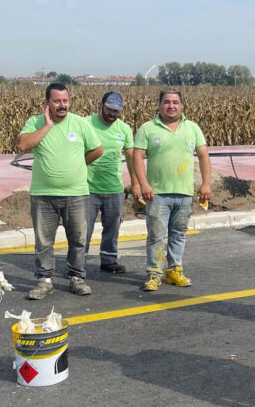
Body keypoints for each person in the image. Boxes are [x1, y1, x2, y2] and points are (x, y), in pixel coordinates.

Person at [17, 83, 103, 300]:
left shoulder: (80, 123)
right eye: (57, 101)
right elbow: (23, 144)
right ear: (47, 103)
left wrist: (78, 165)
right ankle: (44, 281)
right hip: (43, 195)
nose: (62, 105)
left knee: (78, 239)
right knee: (44, 241)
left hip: (76, 193)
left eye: (65, 101)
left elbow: (97, 149)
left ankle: (77, 278)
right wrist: (47, 126)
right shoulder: (35, 122)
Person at [132, 89, 211, 291]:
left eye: (175, 102)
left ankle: (174, 270)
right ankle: (154, 274)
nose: (171, 106)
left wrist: (206, 183)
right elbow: (137, 157)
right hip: (157, 193)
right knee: (156, 235)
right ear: (159, 105)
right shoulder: (148, 128)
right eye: (167, 102)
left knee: (178, 234)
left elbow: (203, 156)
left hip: (184, 193)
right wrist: (144, 184)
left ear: (182, 105)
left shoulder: (192, 128)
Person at [84, 91, 135, 274]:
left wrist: (134, 183)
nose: (113, 114)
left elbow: (131, 159)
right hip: (87, 188)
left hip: (114, 189)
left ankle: (108, 260)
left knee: (112, 228)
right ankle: (77, 263)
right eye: (109, 109)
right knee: (83, 230)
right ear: (100, 105)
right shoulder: (86, 124)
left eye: (117, 111)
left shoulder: (124, 129)